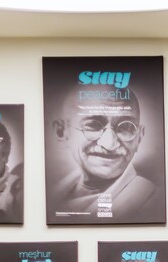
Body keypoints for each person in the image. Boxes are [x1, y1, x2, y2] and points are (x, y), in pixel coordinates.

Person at [50, 83, 162, 222]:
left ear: (139, 137)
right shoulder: (54, 196)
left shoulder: (151, 202)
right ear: (61, 132)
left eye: (126, 127)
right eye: (93, 125)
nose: (110, 144)